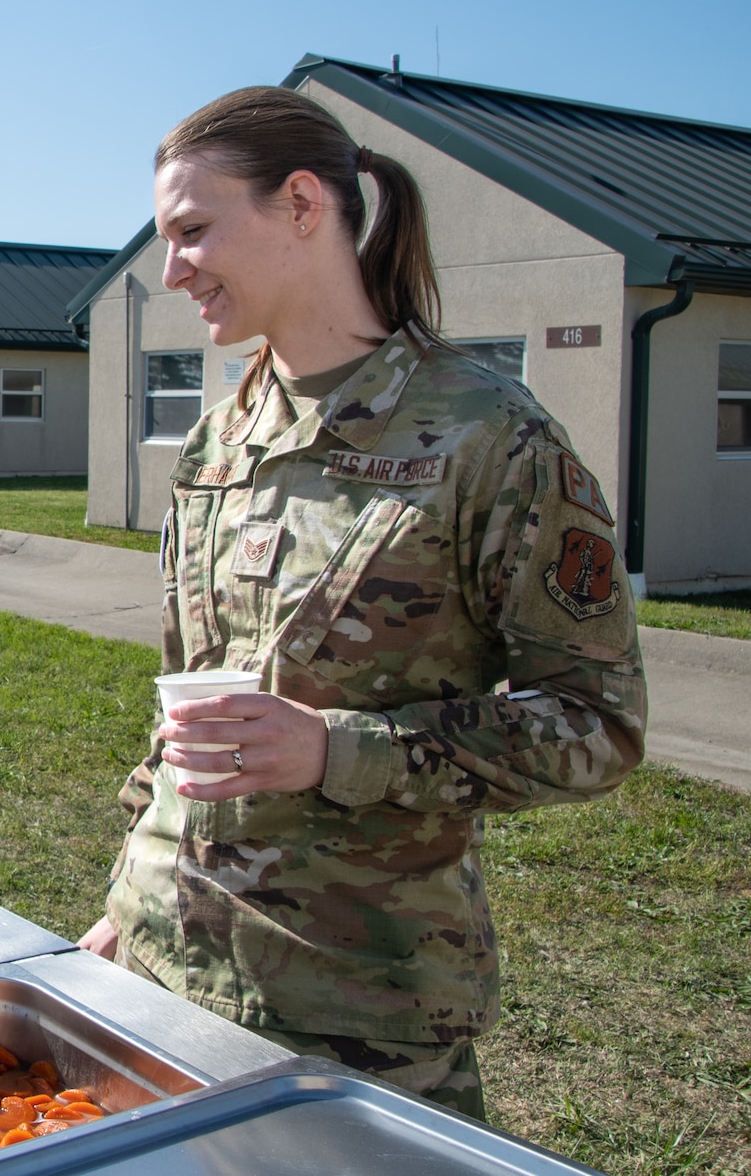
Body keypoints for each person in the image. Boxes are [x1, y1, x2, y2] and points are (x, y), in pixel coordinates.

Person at [78, 87, 645, 1120]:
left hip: (353, 1010)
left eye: (193, 231)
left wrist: (336, 749)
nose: (171, 271)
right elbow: (184, 715)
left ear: (301, 203)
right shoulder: (218, 438)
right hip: (159, 969)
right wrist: (127, 893)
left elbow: (596, 724)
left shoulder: (486, 437)